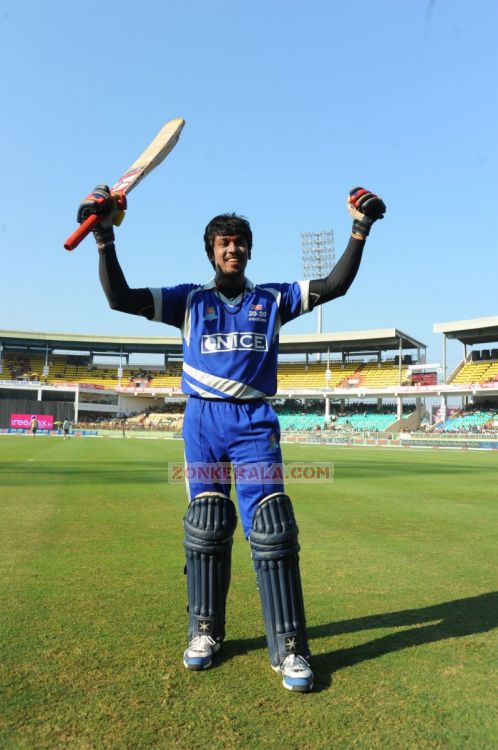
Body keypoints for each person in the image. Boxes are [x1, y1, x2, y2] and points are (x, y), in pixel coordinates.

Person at [77, 184, 386, 693]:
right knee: (207, 524)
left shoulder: (272, 299)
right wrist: (103, 236)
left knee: (272, 529)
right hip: (202, 421)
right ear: (211, 251)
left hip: (253, 424)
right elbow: (120, 298)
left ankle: (289, 649)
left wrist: (361, 228)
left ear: (248, 250)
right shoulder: (188, 301)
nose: (232, 248)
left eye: (239, 241)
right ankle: (205, 633)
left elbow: (335, 285)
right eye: (223, 242)